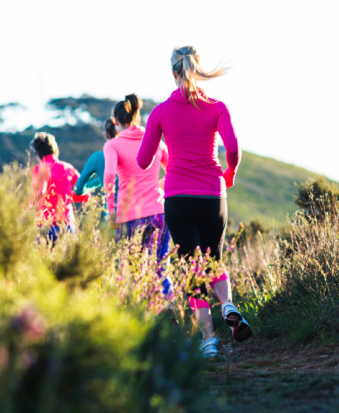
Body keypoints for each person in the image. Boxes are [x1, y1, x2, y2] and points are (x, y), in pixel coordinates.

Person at [137, 45, 252, 357]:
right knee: (213, 261)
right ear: (197, 70)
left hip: (178, 197)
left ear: (174, 72)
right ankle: (228, 305)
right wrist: (229, 174)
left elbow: (144, 160)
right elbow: (234, 149)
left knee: (191, 268)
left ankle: (209, 340)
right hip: (214, 195)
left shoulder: (160, 111)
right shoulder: (217, 107)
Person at [103, 94, 172, 296]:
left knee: (132, 271)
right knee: (160, 267)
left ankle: (142, 317)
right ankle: (167, 309)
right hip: (159, 214)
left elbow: (108, 175)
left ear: (116, 122)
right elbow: (175, 170)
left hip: (129, 218)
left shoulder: (113, 145)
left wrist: (110, 210)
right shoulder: (155, 141)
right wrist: (158, 188)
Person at [30, 132, 89, 244]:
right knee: (70, 261)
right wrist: (66, 195)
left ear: (37, 153)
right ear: (55, 149)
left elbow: (34, 197)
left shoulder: (38, 169)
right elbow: (86, 196)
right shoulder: (68, 168)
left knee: (42, 261)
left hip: (44, 227)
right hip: (67, 226)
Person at [74, 119, 119, 220]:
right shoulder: (132, 153)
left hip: (112, 217)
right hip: (137, 213)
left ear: (106, 134)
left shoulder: (97, 157)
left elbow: (78, 189)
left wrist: (98, 181)